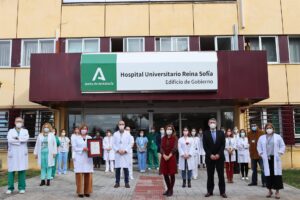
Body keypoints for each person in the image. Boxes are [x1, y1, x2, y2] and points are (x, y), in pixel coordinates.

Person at [257, 123, 285, 199]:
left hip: (275, 158)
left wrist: (280, 152)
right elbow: (259, 146)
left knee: (277, 175)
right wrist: (261, 153)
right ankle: (269, 191)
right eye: (267, 128)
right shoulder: (262, 138)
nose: (269, 129)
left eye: (270, 128)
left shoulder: (278, 137)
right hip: (266, 158)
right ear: (265, 129)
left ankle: (277, 192)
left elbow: (282, 146)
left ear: (273, 129)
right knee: (268, 175)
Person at [203, 118, 227, 198]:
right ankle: (209, 191)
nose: (212, 123)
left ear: (216, 124)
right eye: (211, 122)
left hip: (219, 157)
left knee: (221, 175)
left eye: (214, 122)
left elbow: (223, 145)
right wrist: (210, 155)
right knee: (210, 175)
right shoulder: (205, 133)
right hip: (209, 158)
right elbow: (205, 146)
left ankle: (222, 192)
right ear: (208, 123)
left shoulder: (221, 133)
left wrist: (218, 154)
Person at [6, 117, 29, 194]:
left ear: (22, 123)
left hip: (22, 153)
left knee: (22, 170)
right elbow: (9, 140)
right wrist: (19, 140)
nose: (19, 122)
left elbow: (26, 139)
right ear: (14, 122)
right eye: (17, 121)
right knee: (11, 171)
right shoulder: (11, 131)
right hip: (12, 153)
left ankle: (22, 187)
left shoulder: (25, 131)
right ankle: (10, 188)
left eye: (20, 121)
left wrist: (16, 139)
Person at [73, 125, 93, 198]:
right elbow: (74, 148)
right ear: (80, 130)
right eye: (82, 129)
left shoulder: (90, 138)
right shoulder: (76, 138)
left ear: (87, 130)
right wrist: (82, 149)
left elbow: (93, 147)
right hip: (79, 158)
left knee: (88, 175)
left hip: (88, 158)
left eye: (85, 129)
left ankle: (87, 191)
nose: (84, 130)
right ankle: (80, 192)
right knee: (79, 175)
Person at [159, 124, 178, 197]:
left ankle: (171, 190)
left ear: (172, 130)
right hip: (164, 158)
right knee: (165, 174)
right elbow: (161, 147)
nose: (168, 130)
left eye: (170, 129)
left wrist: (169, 155)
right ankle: (168, 189)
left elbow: (175, 148)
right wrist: (163, 155)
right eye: (167, 129)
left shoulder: (175, 138)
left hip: (171, 157)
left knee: (172, 174)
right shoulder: (163, 138)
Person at [113, 120, 132, 188]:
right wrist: (118, 150)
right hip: (118, 154)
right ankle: (117, 182)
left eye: (122, 124)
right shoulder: (115, 134)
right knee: (117, 169)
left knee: (126, 169)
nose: (121, 125)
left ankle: (126, 183)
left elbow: (130, 143)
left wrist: (125, 150)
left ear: (124, 125)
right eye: (120, 124)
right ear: (118, 125)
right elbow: (113, 144)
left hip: (125, 154)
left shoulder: (128, 133)